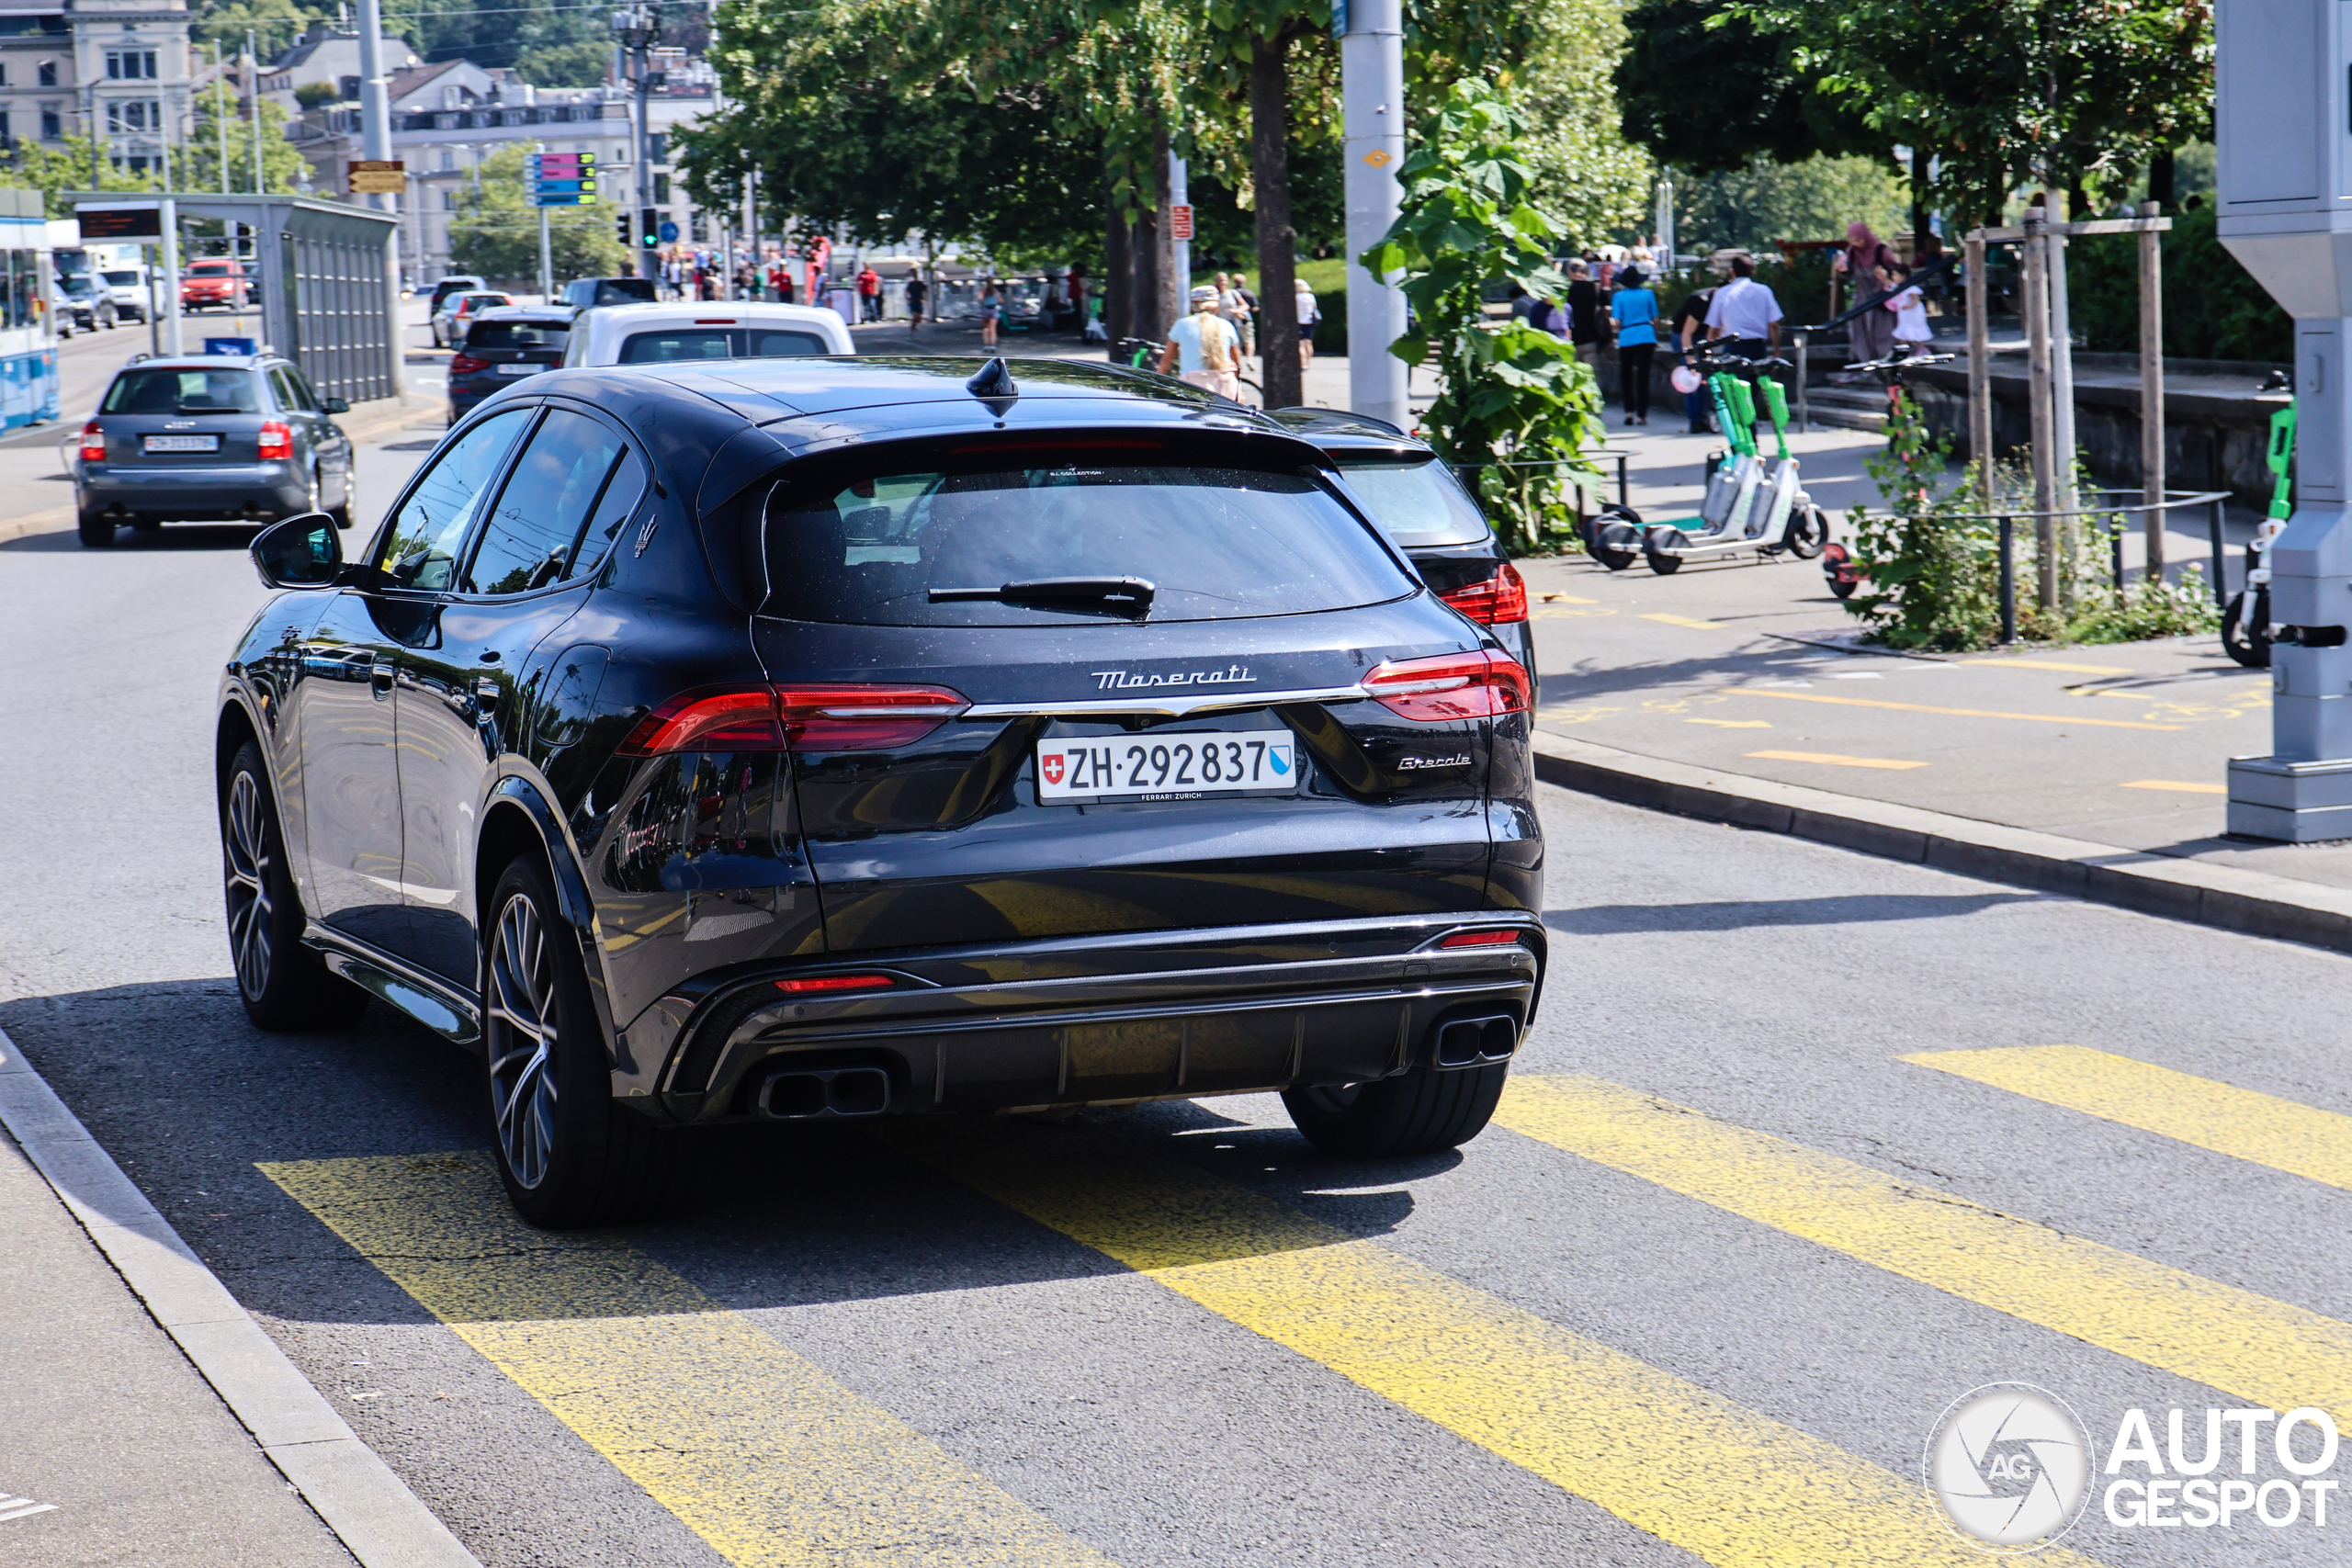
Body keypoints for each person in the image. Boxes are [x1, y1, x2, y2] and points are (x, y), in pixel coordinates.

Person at [1156, 284, 1241, 399]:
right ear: (1216, 306)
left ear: (1193, 306)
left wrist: (1157, 386)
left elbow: (1166, 361)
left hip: (1191, 387)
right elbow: (1236, 360)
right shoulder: (1227, 325)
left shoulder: (1182, 325)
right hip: (1225, 386)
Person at [1833, 220, 1898, 363]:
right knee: (1858, 329)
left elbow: (1896, 271)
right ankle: (1865, 361)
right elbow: (1849, 274)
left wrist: (1885, 274)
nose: (1857, 243)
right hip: (1862, 298)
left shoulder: (1880, 250)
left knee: (1882, 331)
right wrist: (1842, 270)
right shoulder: (1852, 253)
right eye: (1853, 241)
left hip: (1881, 298)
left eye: (1859, 239)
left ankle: (1886, 361)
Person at [1704, 254, 1781, 359]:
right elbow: (1773, 325)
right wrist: (1776, 352)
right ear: (1752, 271)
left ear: (1733, 272)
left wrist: (1709, 355)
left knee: (1733, 375)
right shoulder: (1764, 291)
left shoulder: (1723, 293)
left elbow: (1713, 328)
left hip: (1733, 347)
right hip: (1757, 347)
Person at [1610, 266, 1659, 427]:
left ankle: (1629, 411)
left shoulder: (1618, 296)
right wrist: (1655, 335)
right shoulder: (1648, 294)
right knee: (1643, 376)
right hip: (1646, 334)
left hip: (1627, 337)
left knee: (1626, 376)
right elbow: (1656, 318)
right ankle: (1642, 415)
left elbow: (1616, 321)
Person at [1673, 284, 1717, 433]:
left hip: (1703, 335)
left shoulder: (1725, 303)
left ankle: (1710, 417)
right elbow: (1686, 334)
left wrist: (1710, 352)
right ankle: (1696, 419)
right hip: (1684, 335)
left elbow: (1714, 332)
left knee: (1708, 377)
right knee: (1692, 378)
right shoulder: (1700, 301)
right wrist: (1690, 359)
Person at [1884, 263, 1931, 355]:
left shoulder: (1910, 288)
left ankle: (1921, 348)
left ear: (1903, 276)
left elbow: (1916, 300)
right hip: (1904, 314)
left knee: (1914, 332)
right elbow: (1888, 284)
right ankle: (1904, 350)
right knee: (1903, 331)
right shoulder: (1898, 287)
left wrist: (1908, 306)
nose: (1893, 277)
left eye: (1895, 274)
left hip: (1912, 314)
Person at [1566, 260, 1601, 367]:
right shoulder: (1594, 288)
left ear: (1569, 271)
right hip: (1591, 337)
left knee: (1571, 377)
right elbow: (1605, 306)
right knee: (1593, 376)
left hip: (1569, 339)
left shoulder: (1565, 289)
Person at [1295, 276, 1319, 367]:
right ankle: (1308, 363)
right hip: (1309, 322)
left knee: (1300, 344)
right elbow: (1314, 307)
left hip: (1299, 321)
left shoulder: (1296, 297)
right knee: (1308, 343)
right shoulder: (1311, 296)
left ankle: (1302, 362)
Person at [978, 279, 1001, 348]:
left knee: (985, 327)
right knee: (993, 328)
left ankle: (986, 343)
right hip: (993, 309)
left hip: (986, 309)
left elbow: (979, 299)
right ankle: (992, 344)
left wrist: (984, 301)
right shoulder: (995, 291)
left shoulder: (983, 291)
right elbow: (1001, 300)